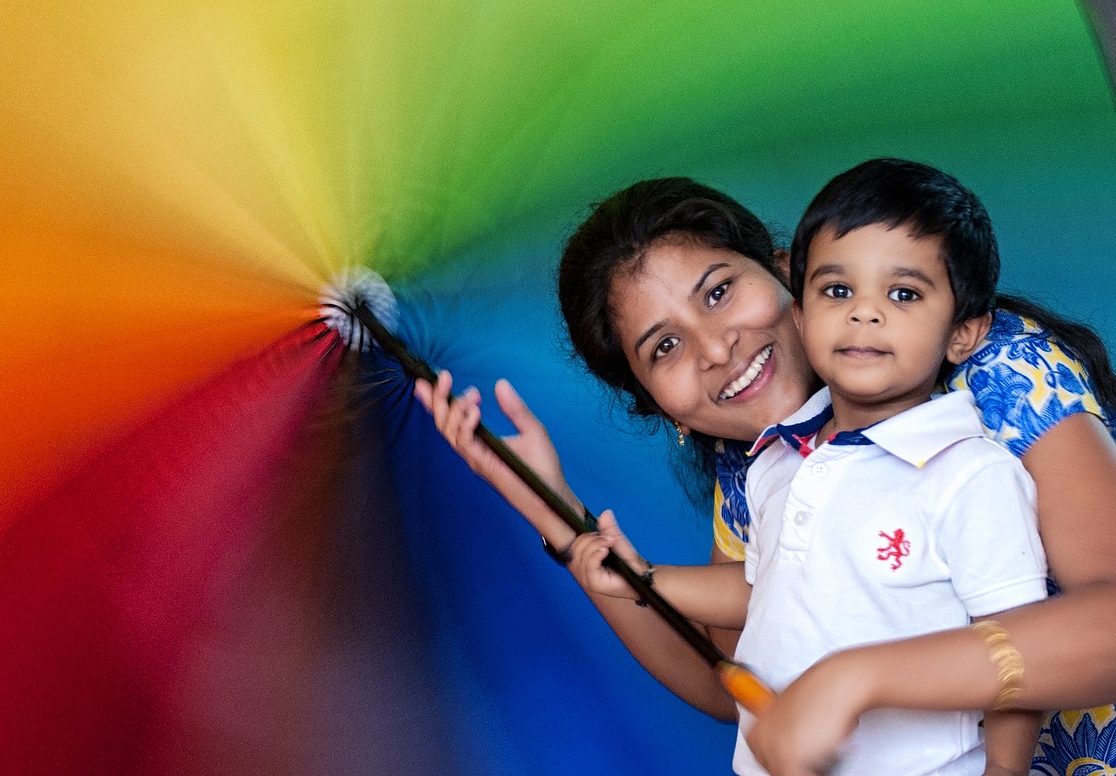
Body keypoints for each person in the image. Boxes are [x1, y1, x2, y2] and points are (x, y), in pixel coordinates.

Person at [415, 159, 1116, 774]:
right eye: (664, 347)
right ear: (664, 409)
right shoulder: (759, 468)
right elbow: (733, 681)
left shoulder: (992, 369)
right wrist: (558, 517)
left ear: (788, 273)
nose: (716, 348)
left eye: (718, 291)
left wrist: (859, 680)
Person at [569, 156, 1048, 773]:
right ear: (806, 306)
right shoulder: (774, 463)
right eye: (840, 291)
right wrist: (642, 578)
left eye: (902, 294)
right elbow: (762, 586)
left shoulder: (973, 472)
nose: (864, 314)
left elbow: (1022, 654)